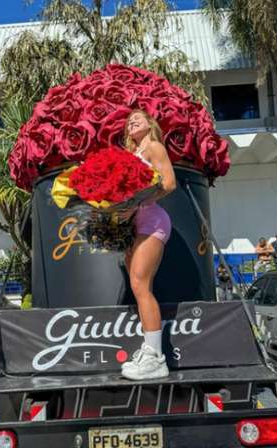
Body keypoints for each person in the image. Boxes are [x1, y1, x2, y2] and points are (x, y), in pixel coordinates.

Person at [118, 109, 177, 380]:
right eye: (129, 121)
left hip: (152, 221)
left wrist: (138, 203)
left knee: (140, 285)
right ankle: (149, 350)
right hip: (134, 225)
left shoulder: (154, 147)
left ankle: (156, 358)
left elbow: (169, 184)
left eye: (138, 118)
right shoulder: (131, 154)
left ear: (150, 123)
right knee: (140, 286)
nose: (132, 121)